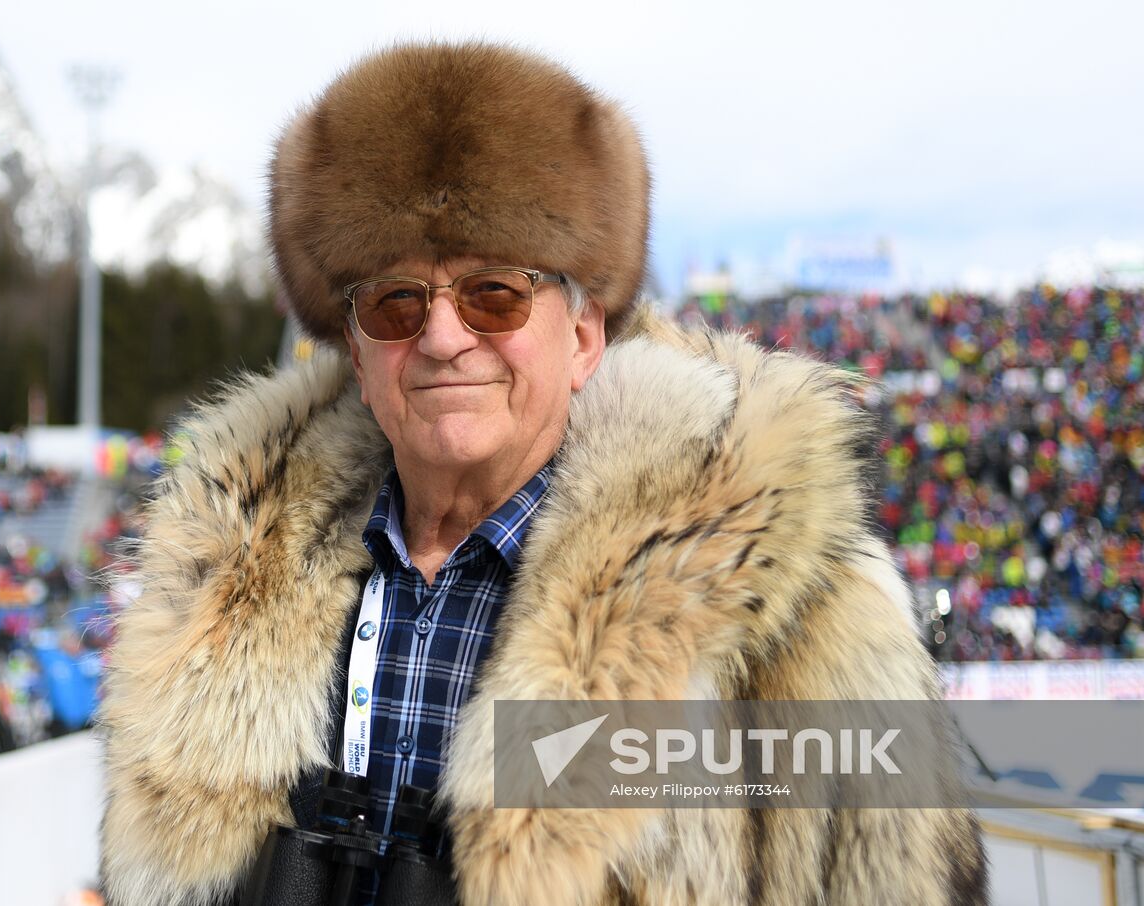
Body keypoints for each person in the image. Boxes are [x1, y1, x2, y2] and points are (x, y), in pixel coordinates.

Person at [98, 43, 986, 905]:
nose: (444, 339)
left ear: (586, 334)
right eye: (396, 302)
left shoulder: (791, 604)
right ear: (357, 353)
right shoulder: (214, 594)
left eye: (496, 294)